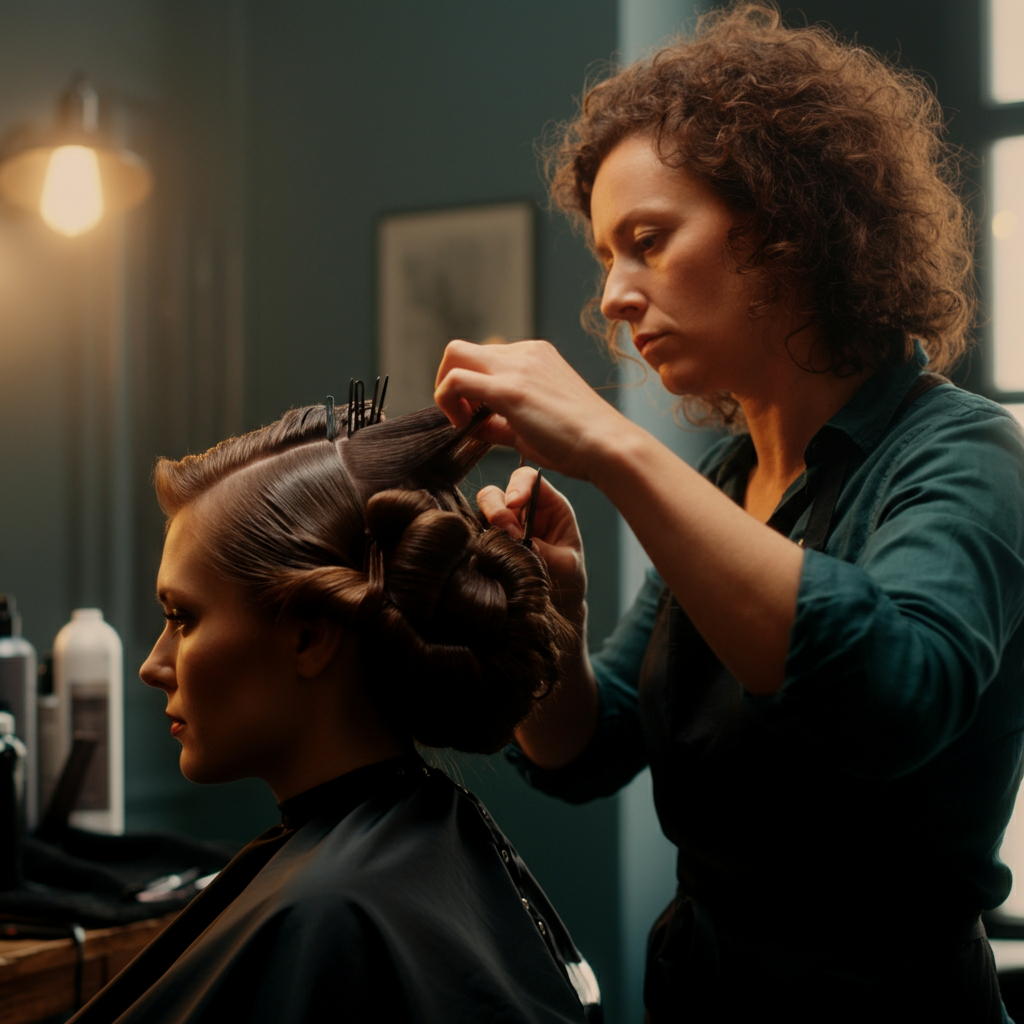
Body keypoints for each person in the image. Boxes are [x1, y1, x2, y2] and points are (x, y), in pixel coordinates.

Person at [433, 3, 1024, 1022]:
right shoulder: (722, 477)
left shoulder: (964, 452)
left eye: (648, 241)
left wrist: (615, 451)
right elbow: (590, 746)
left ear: (789, 227)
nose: (614, 294)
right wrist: (547, 623)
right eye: (607, 255)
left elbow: (891, 692)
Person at [69, 402, 600, 1024]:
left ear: (309, 637)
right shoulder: (421, 842)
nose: (154, 666)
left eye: (182, 618)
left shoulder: (329, 914)